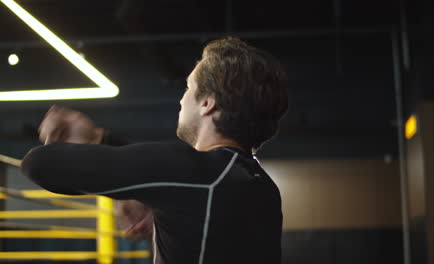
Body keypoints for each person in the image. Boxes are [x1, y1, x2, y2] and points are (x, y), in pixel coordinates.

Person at [21, 36, 288, 264]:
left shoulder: (195, 173)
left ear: (207, 103)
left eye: (188, 87)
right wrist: (168, 205)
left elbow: (40, 164)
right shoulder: (262, 187)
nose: (182, 99)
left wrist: (67, 137)